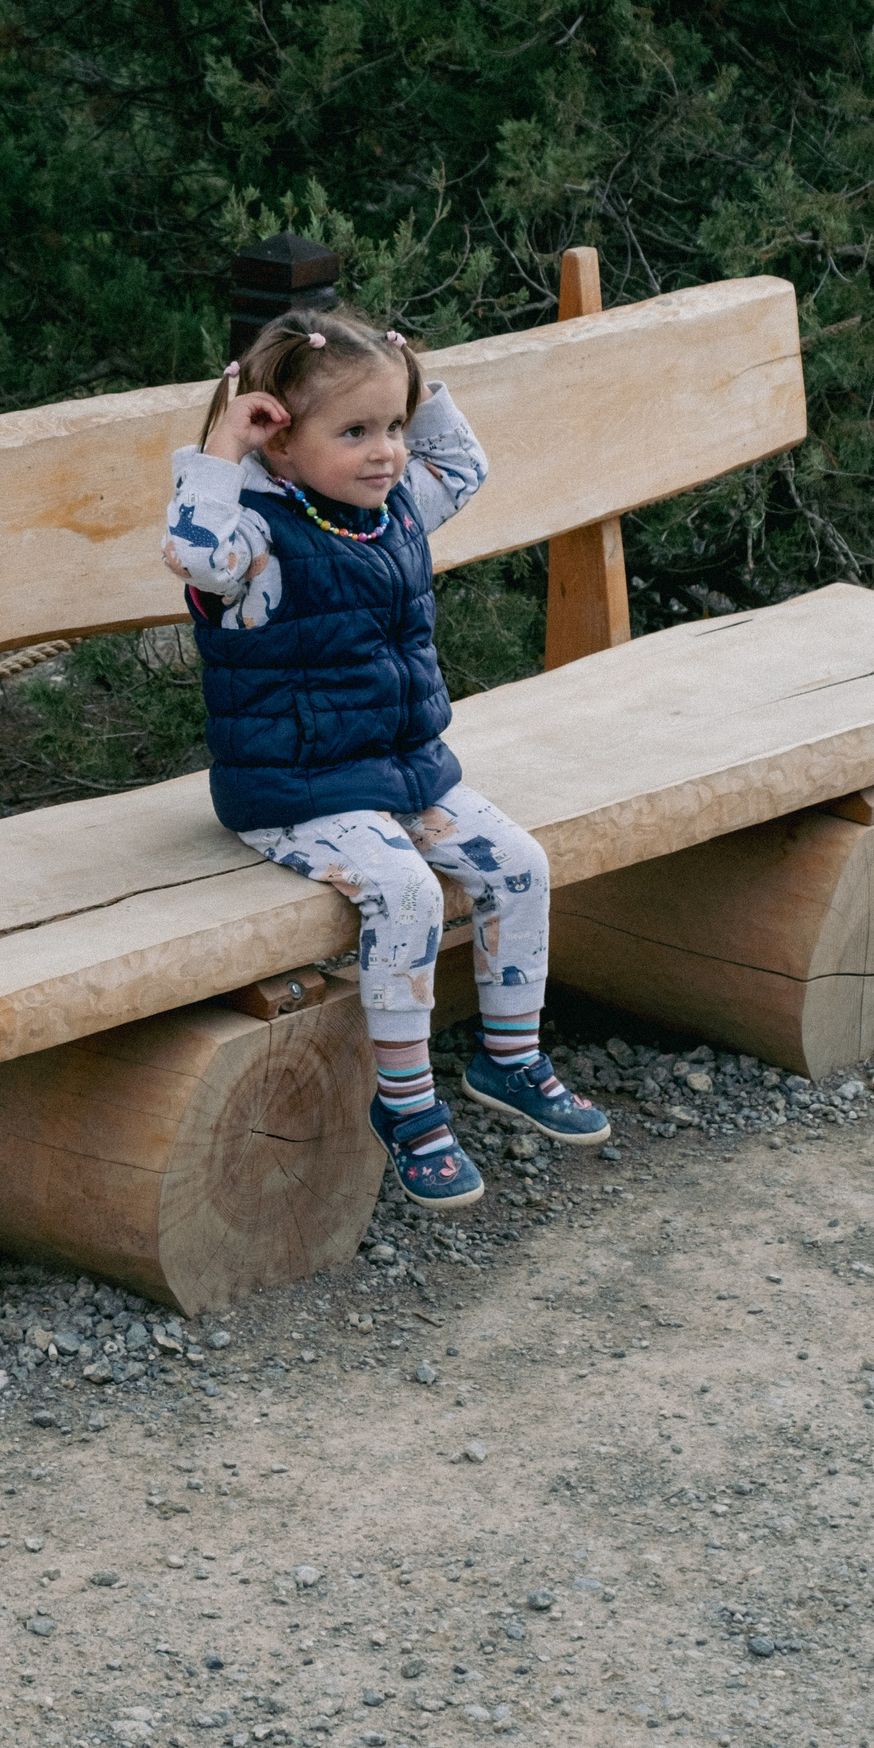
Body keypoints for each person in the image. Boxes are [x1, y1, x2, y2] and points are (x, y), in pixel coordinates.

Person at [161, 310, 610, 1211]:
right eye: (355, 431)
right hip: (296, 788)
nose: (387, 452)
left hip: (403, 768)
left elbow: (467, 468)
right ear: (279, 445)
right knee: (403, 893)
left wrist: (417, 380)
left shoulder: (391, 508)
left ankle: (509, 1060)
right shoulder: (252, 536)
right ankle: (406, 1109)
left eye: (395, 428)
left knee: (519, 865)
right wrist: (220, 447)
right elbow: (191, 554)